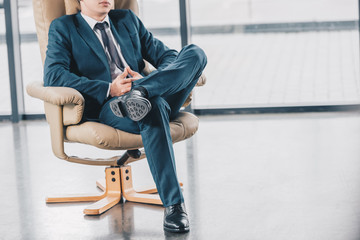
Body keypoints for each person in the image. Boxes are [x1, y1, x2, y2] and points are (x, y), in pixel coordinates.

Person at [44, 0, 207, 233]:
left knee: (194, 53)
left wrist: (146, 82)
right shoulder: (64, 27)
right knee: (153, 106)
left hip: (148, 92)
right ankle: (174, 206)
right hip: (112, 105)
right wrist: (110, 88)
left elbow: (168, 56)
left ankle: (144, 91)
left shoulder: (127, 20)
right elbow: (54, 75)